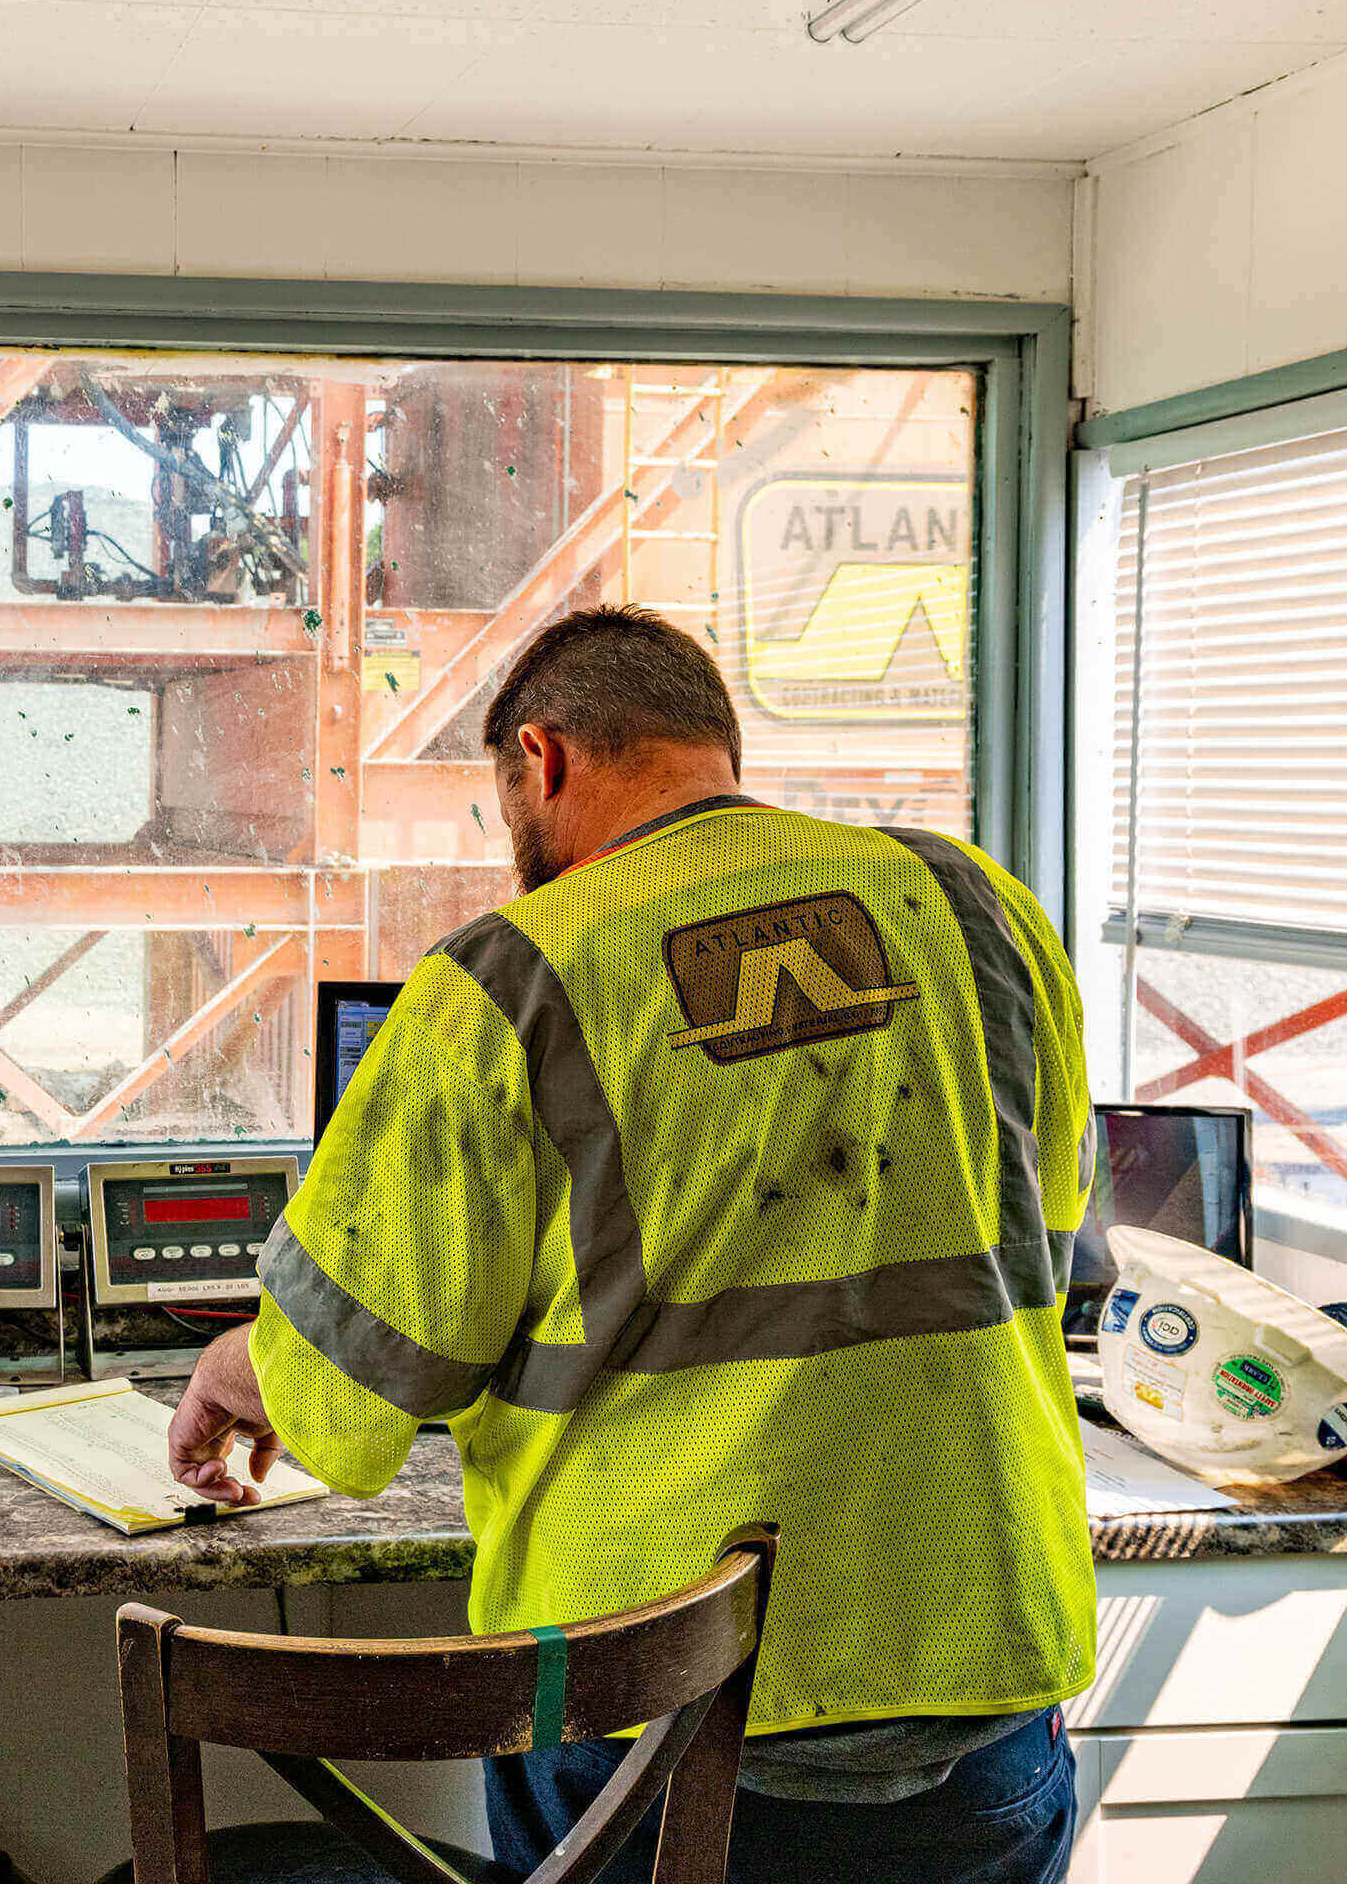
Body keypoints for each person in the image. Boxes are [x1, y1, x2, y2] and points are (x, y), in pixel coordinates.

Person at [165, 605, 1096, 1883]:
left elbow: (356, 1394)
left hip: (656, 1718)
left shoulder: (507, 982)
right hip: (978, 1664)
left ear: (541, 761)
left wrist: (238, 1365)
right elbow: (1042, 1231)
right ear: (713, 745)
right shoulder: (974, 906)